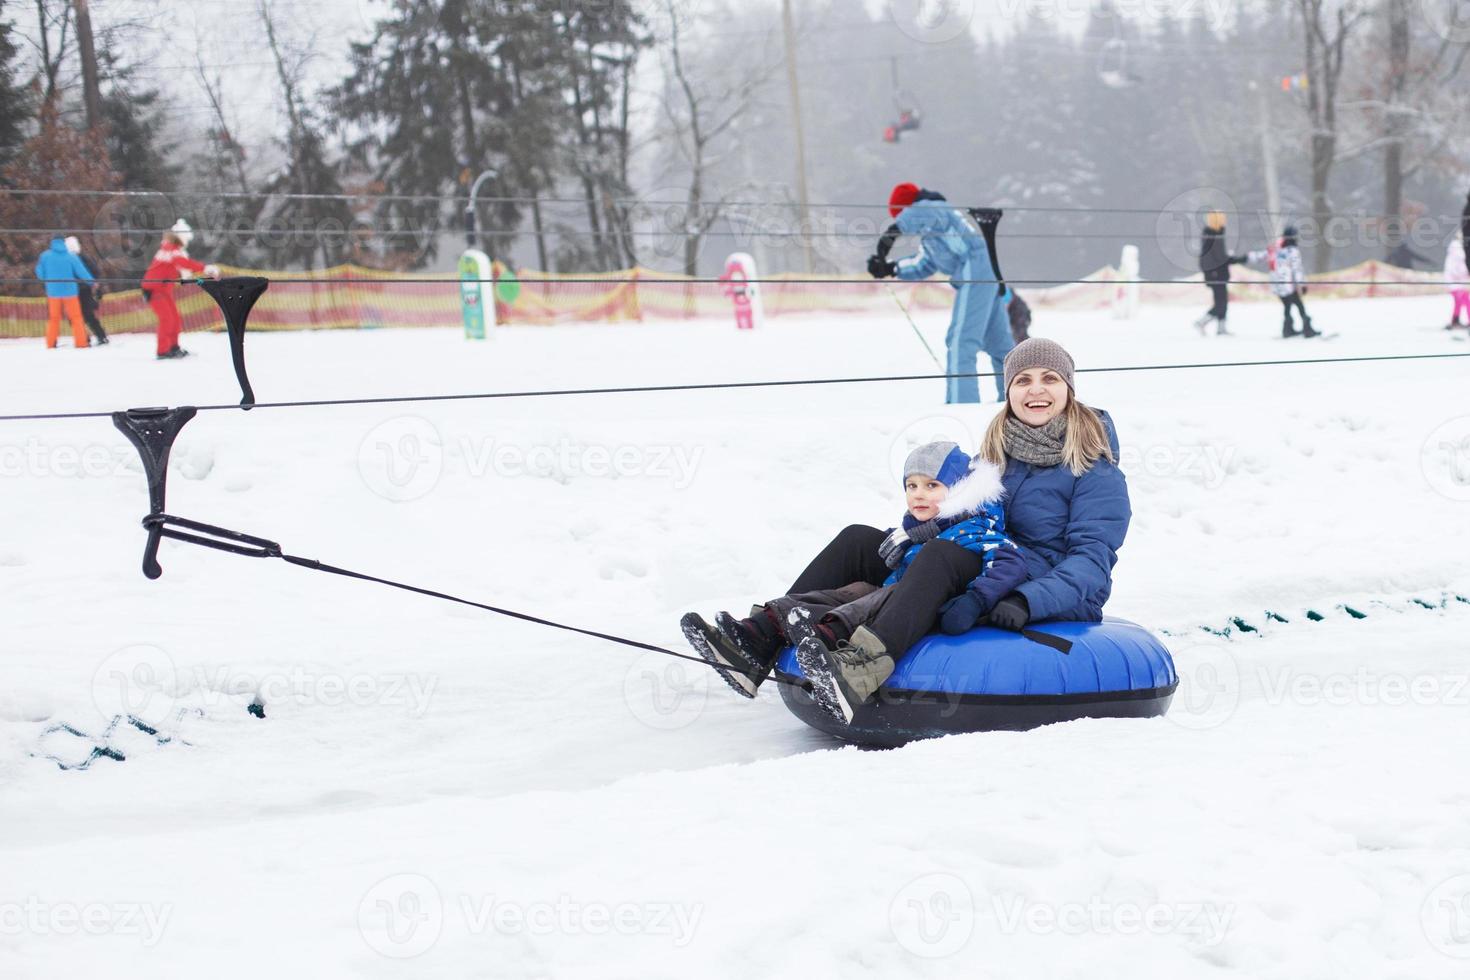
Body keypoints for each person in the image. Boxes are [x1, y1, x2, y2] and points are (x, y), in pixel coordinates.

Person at [680, 337, 1130, 725]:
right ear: (1008, 390)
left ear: (1068, 390)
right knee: (861, 539)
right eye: (1022, 380)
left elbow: (1091, 564)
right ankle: (761, 639)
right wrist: (914, 532)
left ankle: (859, 671)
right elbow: (960, 515)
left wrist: (1024, 600)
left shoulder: (1096, 471)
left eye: (1049, 379)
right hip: (978, 556)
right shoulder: (996, 454)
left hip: (1027, 580)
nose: (1036, 390)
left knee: (944, 557)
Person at [681, 441, 1025, 718]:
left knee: (862, 602)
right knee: (855, 553)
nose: (918, 494)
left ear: (960, 490)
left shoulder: (978, 530)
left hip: (936, 606)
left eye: (932, 485)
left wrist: (976, 599)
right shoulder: (913, 533)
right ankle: (758, 640)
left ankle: (859, 673)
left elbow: (1010, 563)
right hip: (892, 595)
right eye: (912, 486)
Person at [867, 183, 1015, 402]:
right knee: (1000, 346)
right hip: (984, 279)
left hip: (976, 274)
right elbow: (924, 264)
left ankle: (962, 405)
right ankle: (1013, 400)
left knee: (960, 342)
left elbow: (916, 215)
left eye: (901, 213)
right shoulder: (934, 236)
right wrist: (891, 268)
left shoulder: (933, 207)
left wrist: (887, 239)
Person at [144, 219, 220, 360]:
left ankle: (173, 347)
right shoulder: (171, 248)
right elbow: (182, 262)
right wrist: (204, 268)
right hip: (155, 289)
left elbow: (178, 266)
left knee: (175, 319)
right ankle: (163, 351)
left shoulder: (170, 248)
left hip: (163, 290)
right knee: (167, 319)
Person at [1246, 226, 1319, 338]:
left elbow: (1260, 256)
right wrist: (1302, 284)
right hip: (1288, 284)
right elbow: (1297, 269)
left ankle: (1288, 329)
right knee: (1298, 305)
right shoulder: (1292, 251)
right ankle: (1306, 329)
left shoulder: (1275, 249)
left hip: (1277, 285)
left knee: (1288, 305)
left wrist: (1243, 258)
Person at [1193, 210, 1247, 336]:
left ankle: (1221, 328)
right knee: (1221, 303)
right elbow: (1220, 257)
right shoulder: (1213, 236)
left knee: (1222, 301)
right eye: (1221, 219)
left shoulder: (1215, 234)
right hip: (1216, 275)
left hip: (1217, 274)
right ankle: (1201, 322)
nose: (1224, 221)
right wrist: (1239, 259)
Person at [33, 237, 94, 349]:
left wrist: (47, 279)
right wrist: (91, 282)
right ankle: (81, 342)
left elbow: (40, 272)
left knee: (54, 318)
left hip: (53, 292)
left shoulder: (45, 256)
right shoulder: (71, 256)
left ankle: (51, 343)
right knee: (76, 318)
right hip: (70, 292)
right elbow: (81, 271)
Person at [65, 236, 108, 345]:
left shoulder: (67, 259)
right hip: (86, 289)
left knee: (74, 317)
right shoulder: (84, 257)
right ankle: (101, 336)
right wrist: (94, 284)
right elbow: (95, 271)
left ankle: (84, 337)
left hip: (72, 291)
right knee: (88, 315)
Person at [1445, 231, 1469, 331]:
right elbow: (1456, 268)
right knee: (1467, 301)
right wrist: (1466, 272)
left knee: (1459, 302)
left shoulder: (1458, 249)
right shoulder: (1457, 249)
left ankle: (1455, 320)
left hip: (1457, 282)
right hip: (1456, 283)